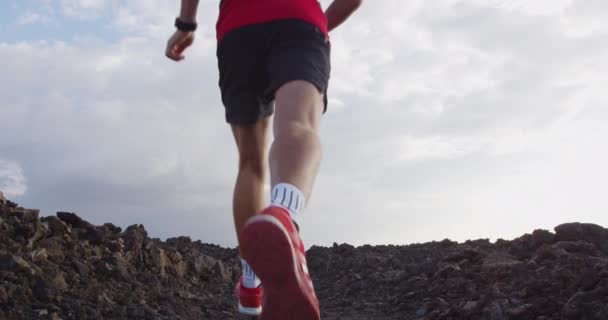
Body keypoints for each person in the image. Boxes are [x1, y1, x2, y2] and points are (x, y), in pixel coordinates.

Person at [166, 0, 362, 318]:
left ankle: (250, 283)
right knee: (298, 124)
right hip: (298, 20)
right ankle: (284, 213)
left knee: (250, 164)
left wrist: (186, 25)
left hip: (238, 30)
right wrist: (318, 24)